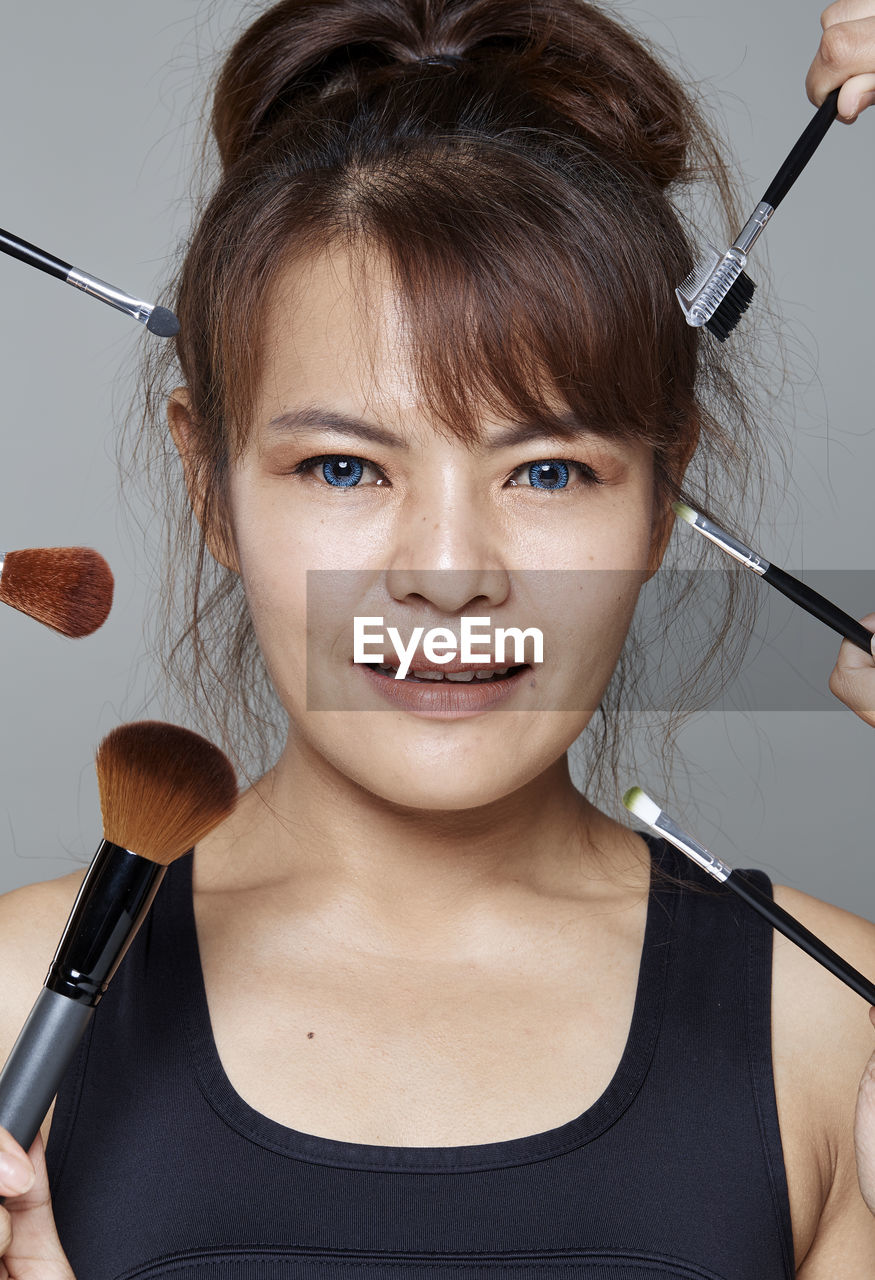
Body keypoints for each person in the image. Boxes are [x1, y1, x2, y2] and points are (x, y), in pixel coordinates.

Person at [1, 1, 875, 1276]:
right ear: (212, 493)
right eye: (345, 468)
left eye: (549, 473)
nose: (450, 574)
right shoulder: (13, 990)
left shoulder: (835, 1018)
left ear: (662, 497)